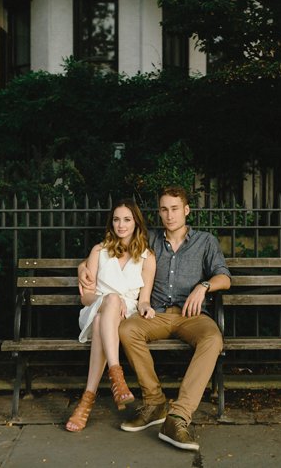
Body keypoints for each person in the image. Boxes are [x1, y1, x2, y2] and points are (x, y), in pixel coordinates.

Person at [79, 186, 231, 451]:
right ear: (159, 212)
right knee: (127, 330)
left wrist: (204, 286)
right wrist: (82, 267)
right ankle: (154, 403)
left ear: (186, 210)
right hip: (155, 314)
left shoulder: (205, 241)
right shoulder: (148, 239)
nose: (169, 215)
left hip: (191, 315)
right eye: (164, 209)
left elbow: (224, 278)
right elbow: (112, 248)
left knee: (213, 338)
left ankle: (178, 416)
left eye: (175, 209)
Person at [65, 199, 156, 432]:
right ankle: (116, 375)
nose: (121, 225)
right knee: (108, 304)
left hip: (126, 316)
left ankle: (86, 401)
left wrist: (145, 307)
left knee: (101, 320)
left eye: (126, 219)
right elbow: (85, 297)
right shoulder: (99, 251)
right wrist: (105, 300)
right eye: (116, 219)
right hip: (96, 306)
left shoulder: (147, 257)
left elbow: (143, 298)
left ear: (136, 222)